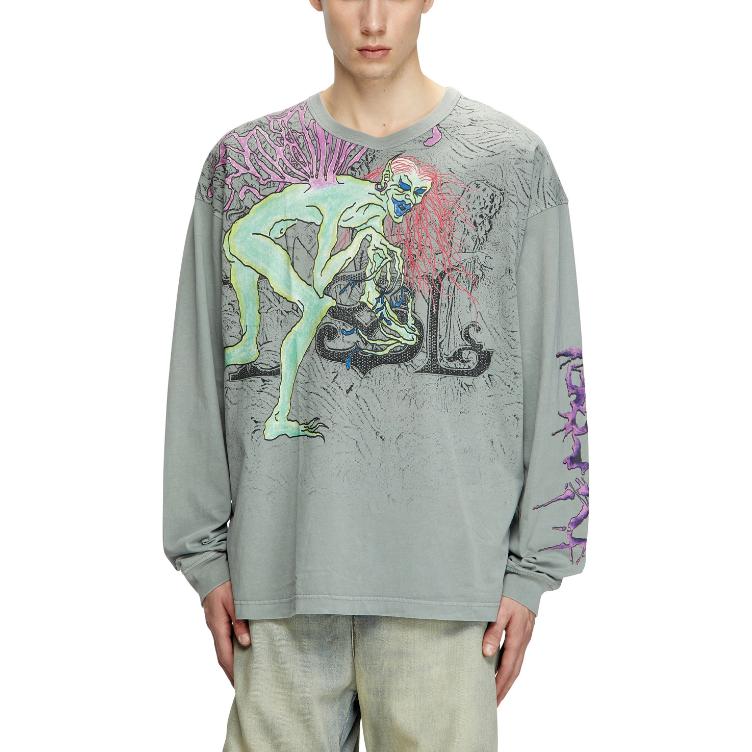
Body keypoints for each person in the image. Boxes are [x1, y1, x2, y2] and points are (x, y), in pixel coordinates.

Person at [163, 0, 590, 749]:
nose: (372, 17)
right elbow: (196, 371)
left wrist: (534, 571)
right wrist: (203, 557)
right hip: (281, 584)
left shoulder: (513, 161)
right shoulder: (239, 159)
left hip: (449, 591)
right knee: (289, 322)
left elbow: (557, 367)